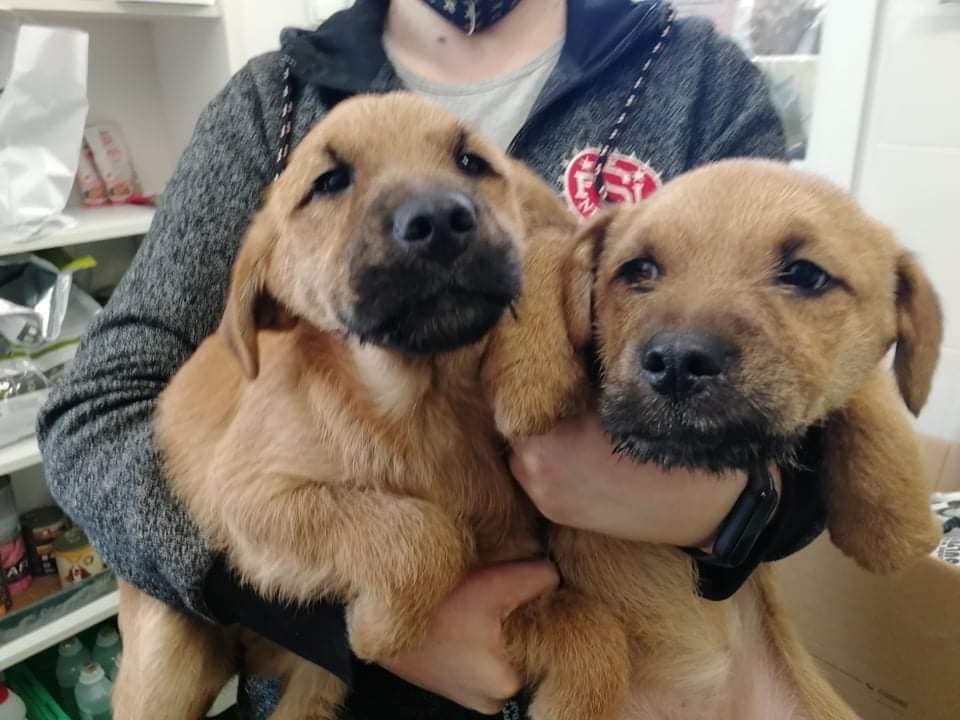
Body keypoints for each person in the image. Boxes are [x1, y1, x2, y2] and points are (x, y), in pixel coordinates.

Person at [38, 1, 826, 718]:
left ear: (540, 214)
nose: (437, 212)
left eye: (472, 168)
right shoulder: (270, 103)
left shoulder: (696, 80)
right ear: (265, 287)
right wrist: (332, 623)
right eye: (334, 182)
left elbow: (822, 410)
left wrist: (727, 509)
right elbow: (92, 414)